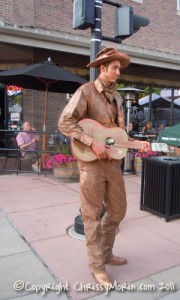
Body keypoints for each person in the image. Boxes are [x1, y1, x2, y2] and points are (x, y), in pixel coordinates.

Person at [58, 47, 150, 288]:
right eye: (115, 68)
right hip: (91, 165)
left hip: (113, 164)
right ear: (102, 68)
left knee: (118, 211)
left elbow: (116, 134)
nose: (118, 72)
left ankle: (106, 252)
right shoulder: (86, 92)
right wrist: (91, 141)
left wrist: (135, 143)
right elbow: (65, 122)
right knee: (91, 217)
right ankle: (97, 266)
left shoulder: (118, 98)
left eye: (120, 68)